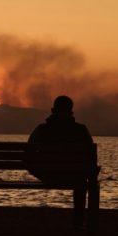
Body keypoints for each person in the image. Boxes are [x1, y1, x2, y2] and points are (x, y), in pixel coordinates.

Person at [28, 95, 94, 229]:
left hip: (48, 176)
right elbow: (90, 157)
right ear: (71, 111)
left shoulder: (41, 129)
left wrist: (39, 170)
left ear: (52, 110)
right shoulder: (81, 130)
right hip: (74, 177)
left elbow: (28, 153)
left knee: (80, 178)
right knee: (81, 181)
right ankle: (78, 221)